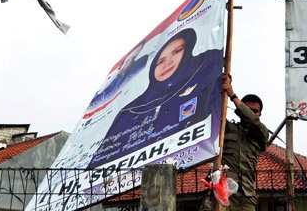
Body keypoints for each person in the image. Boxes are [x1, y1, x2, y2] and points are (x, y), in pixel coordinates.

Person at [88, 28, 224, 168]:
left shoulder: (204, 73)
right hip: (132, 182)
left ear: (188, 50)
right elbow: (96, 166)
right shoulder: (131, 111)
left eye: (177, 51)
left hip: (192, 165)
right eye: (160, 62)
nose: (167, 63)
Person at [201, 74, 269, 211]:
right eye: (247, 109)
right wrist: (222, 88)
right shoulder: (227, 129)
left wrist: (233, 96)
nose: (251, 113)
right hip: (223, 189)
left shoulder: (261, 134)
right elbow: (213, 110)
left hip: (247, 196)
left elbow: (253, 122)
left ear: (259, 114)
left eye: (254, 111)